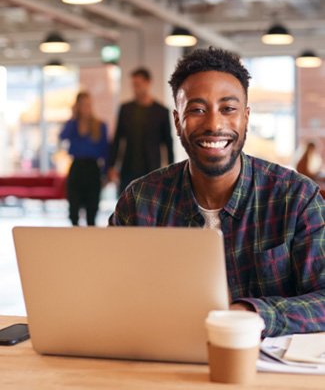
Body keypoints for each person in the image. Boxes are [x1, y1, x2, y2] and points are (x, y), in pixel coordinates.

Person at [109, 47, 325, 338]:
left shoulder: (296, 197)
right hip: (164, 364)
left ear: (246, 117)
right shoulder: (140, 201)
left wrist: (251, 313)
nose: (213, 124)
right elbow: (110, 293)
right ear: (177, 121)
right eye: (197, 110)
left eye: (228, 109)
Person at [108, 67, 174, 194]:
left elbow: (168, 143)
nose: (135, 88)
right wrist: (112, 166)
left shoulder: (161, 111)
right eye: (133, 85)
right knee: (126, 206)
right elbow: (117, 139)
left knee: (150, 207)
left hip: (152, 169)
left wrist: (171, 171)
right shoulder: (125, 109)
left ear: (148, 83)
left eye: (138, 84)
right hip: (128, 168)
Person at [60, 91, 109, 226]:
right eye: (81, 105)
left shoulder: (100, 125)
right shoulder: (73, 125)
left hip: (92, 169)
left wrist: (105, 174)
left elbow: (105, 152)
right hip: (76, 168)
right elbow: (62, 136)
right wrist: (74, 117)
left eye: (87, 104)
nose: (85, 108)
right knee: (73, 210)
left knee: (91, 211)